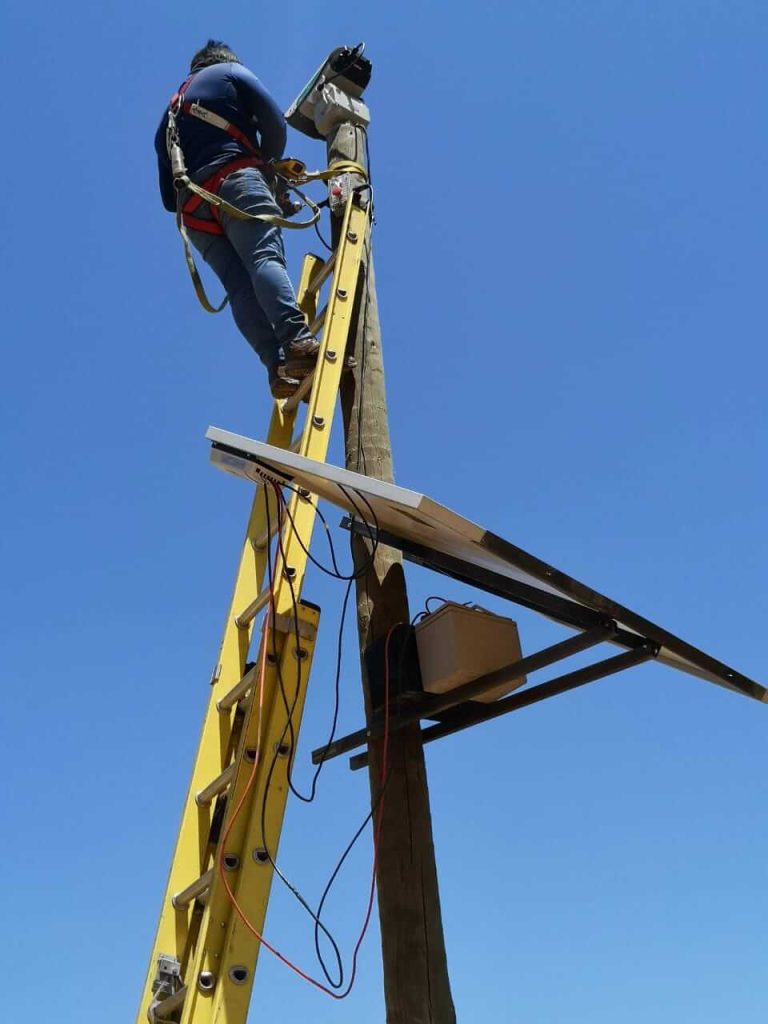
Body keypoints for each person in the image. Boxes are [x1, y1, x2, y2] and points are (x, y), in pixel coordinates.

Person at [155, 40, 319, 398]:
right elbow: (275, 124)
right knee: (263, 257)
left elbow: (169, 199)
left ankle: (276, 368)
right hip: (235, 179)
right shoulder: (228, 73)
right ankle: (298, 342)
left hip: (194, 213)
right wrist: (269, 175)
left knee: (239, 286)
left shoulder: (168, 117)